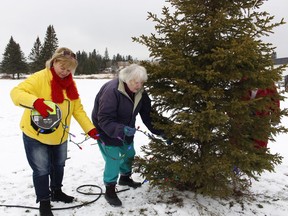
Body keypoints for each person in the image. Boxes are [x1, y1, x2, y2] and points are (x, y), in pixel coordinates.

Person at [10, 47, 99, 216]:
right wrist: (35, 102)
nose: (65, 72)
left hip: (60, 135)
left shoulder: (70, 84)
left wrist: (90, 129)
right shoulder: (40, 77)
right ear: (54, 62)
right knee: (42, 169)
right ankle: (44, 201)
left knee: (58, 165)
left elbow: (77, 110)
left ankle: (56, 192)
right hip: (36, 135)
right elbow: (16, 93)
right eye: (62, 68)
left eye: (69, 70)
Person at [91, 63, 164, 206]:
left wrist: (162, 131)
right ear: (126, 79)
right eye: (135, 82)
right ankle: (110, 189)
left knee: (129, 153)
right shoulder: (112, 91)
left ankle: (125, 177)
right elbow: (104, 118)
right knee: (113, 159)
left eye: (141, 82)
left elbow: (149, 115)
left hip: (127, 128)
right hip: (106, 129)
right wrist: (120, 129)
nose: (138, 85)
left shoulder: (140, 92)